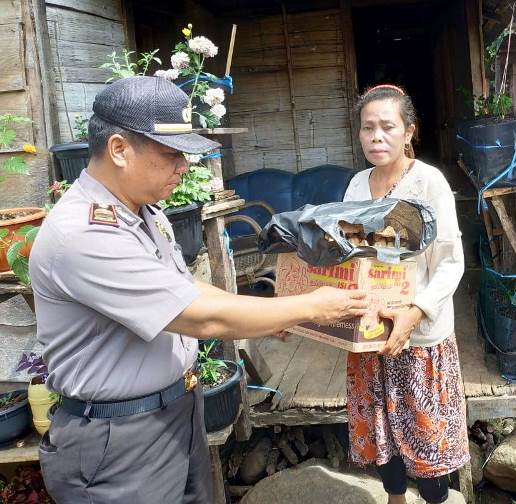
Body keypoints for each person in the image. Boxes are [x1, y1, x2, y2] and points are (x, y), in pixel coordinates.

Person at [29, 76, 368, 503]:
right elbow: (199, 315)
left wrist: (271, 315)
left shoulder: (144, 213)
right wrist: (310, 307)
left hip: (174, 415)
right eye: (171, 154)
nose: (183, 168)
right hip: (118, 442)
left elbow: (186, 290)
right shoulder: (84, 233)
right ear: (118, 149)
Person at [343, 84, 468, 504]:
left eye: (387, 127)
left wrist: (416, 312)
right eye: (367, 128)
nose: (376, 136)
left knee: (428, 447)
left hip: (418, 340)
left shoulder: (428, 183)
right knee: (382, 438)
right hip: (371, 333)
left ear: (409, 131)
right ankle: (395, 498)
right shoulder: (357, 185)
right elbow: (350, 254)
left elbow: (452, 261)